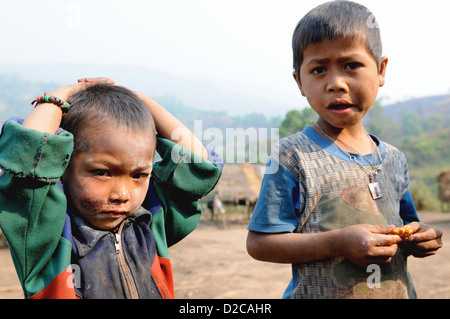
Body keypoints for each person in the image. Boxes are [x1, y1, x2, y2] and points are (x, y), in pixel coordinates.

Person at [246, 0, 443, 299]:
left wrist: (424, 237)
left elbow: (407, 225)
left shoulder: (393, 158)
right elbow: (260, 243)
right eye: (319, 69)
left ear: (380, 69)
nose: (336, 83)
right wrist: (337, 243)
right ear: (299, 81)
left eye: (351, 65)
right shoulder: (292, 156)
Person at [0, 78, 222, 299]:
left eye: (139, 175)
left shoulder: (151, 222)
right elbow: (27, 154)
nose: (122, 195)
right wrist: (61, 95)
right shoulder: (45, 232)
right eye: (102, 172)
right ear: (63, 165)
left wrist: (140, 101)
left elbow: (198, 165)